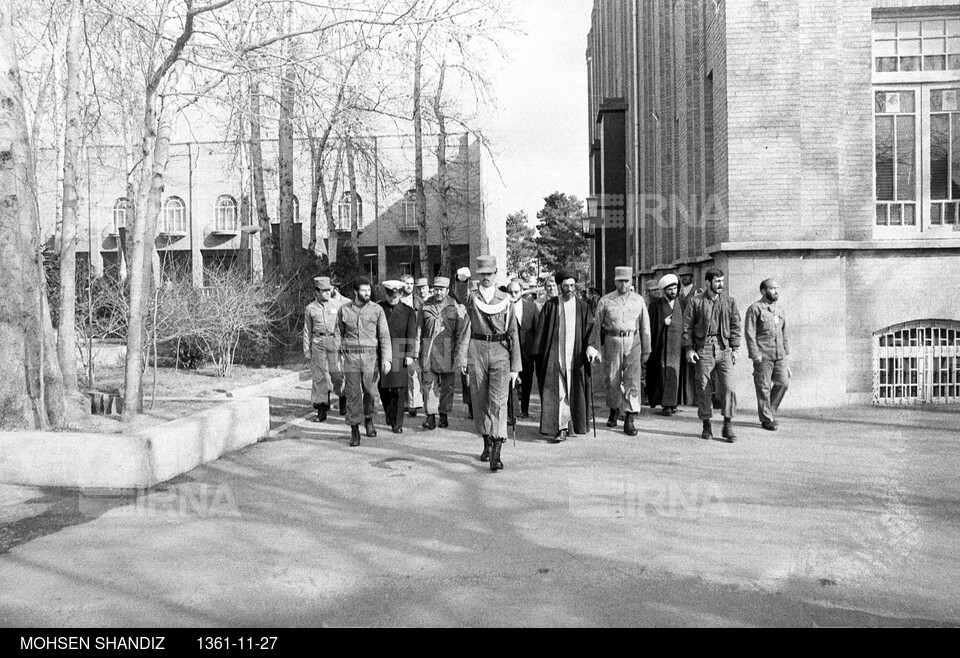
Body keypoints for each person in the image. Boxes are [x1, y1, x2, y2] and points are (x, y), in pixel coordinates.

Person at [457, 256, 521, 471]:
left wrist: (515, 367)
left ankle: (496, 449)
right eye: (482, 274)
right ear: (478, 275)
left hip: (500, 352)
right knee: (479, 398)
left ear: (495, 274)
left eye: (489, 274)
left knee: (498, 401)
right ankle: (486, 440)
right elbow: (460, 296)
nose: (486, 278)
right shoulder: (471, 297)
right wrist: (461, 279)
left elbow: (513, 334)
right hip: (477, 350)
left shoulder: (504, 299)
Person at [533, 270, 600, 442]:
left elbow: (591, 331)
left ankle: (572, 424)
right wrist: (538, 355)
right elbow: (541, 332)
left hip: (575, 356)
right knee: (560, 391)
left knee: (574, 391)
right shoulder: (551, 306)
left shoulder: (583, 307)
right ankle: (561, 427)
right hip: (555, 357)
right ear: (560, 287)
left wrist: (592, 348)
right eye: (566, 286)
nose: (569, 289)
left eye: (572, 285)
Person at [682, 268, 741, 443]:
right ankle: (706, 423)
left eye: (722, 281)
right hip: (704, 347)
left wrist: (735, 349)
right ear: (708, 283)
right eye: (717, 281)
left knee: (729, 387)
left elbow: (736, 325)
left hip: (724, 348)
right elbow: (687, 327)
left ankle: (727, 424)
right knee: (703, 386)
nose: (720, 284)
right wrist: (689, 349)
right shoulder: (695, 302)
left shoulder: (729, 302)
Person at [595, 267, 651, 436]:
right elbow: (596, 326)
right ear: (615, 281)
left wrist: (646, 349)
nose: (623, 284)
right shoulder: (606, 300)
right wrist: (596, 348)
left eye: (626, 281)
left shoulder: (638, 300)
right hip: (612, 341)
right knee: (612, 379)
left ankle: (630, 417)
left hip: (633, 341)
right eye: (620, 280)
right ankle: (614, 409)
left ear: (631, 281)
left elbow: (645, 326)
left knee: (632, 380)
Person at [336, 277, 392, 447]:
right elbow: (338, 334)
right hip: (351, 356)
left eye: (369, 290)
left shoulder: (377, 310)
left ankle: (368, 417)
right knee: (353, 393)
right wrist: (336, 358)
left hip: (370, 357)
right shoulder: (344, 310)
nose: (367, 293)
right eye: (363, 290)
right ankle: (354, 429)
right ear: (355, 291)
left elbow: (384, 335)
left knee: (370, 391)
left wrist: (387, 359)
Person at [416, 276, 469, 430]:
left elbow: (461, 333)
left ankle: (444, 415)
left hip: (448, 350)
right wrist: (415, 352)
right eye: (436, 289)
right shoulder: (425, 307)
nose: (438, 292)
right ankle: (430, 416)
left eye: (441, 289)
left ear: (447, 290)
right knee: (428, 385)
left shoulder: (455, 307)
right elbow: (418, 330)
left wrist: (459, 355)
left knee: (447, 387)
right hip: (428, 351)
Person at [745, 279, 790, 431]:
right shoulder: (755, 308)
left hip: (779, 354)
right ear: (763, 291)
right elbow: (750, 332)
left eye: (777, 288)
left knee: (783, 383)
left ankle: (769, 410)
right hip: (763, 355)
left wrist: (786, 355)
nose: (776, 291)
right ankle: (766, 419)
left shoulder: (780, 309)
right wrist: (754, 353)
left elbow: (784, 332)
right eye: (772, 288)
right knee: (763, 387)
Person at [303, 277, 346, 422]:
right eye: (324, 291)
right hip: (318, 342)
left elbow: (343, 326)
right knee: (319, 376)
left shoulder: (338, 305)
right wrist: (306, 349)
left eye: (329, 290)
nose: (328, 293)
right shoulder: (310, 308)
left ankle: (342, 397)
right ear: (317, 292)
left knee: (337, 374)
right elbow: (307, 330)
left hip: (335, 341)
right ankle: (321, 410)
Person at [378, 280, 418, 434]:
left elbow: (411, 334)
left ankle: (397, 422)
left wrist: (410, 354)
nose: (392, 298)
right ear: (386, 294)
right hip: (382, 351)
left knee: (399, 389)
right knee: (382, 387)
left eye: (396, 295)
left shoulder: (408, 311)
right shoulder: (379, 308)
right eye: (390, 295)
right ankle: (389, 411)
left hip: (399, 351)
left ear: (401, 294)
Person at [647, 274, 685, 416]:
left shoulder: (682, 303)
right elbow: (651, 326)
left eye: (675, 288)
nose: (673, 292)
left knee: (676, 373)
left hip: (678, 346)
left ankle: (674, 403)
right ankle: (666, 405)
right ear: (664, 290)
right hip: (662, 346)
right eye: (670, 289)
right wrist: (663, 323)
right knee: (663, 373)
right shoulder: (655, 305)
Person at [505, 278, 540, 420]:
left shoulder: (531, 307)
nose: (513, 294)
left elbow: (537, 329)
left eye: (516, 292)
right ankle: (511, 411)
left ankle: (524, 408)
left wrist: (536, 351)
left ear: (521, 292)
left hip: (526, 351)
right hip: (508, 350)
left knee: (527, 381)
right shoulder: (503, 306)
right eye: (510, 292)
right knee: (509, 382)